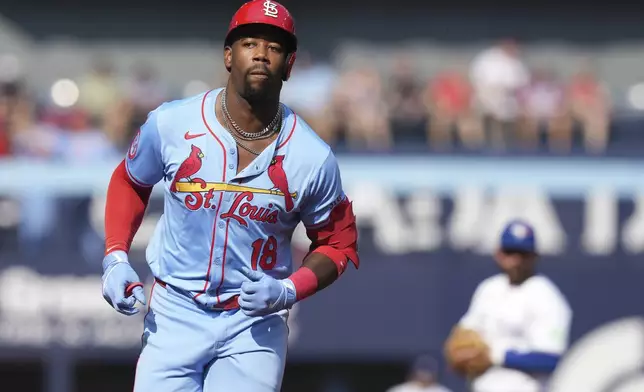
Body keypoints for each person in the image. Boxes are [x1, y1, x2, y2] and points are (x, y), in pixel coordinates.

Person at [99, 1, 359, 391]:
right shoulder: (171, 123)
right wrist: (116, 255)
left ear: (289, 65)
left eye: (274, 47)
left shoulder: (312, 156)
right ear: (228, 55)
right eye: (249, 42)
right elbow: (130, 180)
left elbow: (339, 244)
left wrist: (289, 289)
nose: (260, 53)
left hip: (254, 323)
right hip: (175, 310)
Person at [445, 220, 572, 392]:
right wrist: (461, 350)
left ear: (534, 256)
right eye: (510, 252)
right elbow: (466, 332)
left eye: (522, 254)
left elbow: (551, 359)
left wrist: (497, 356)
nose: (516, 260)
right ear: (498, 253)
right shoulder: (489, 289)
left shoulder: (547, 297)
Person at [386, 355, 453, 392]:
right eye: (422, 372)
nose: (425, 376)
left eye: (428, 373)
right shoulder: (400, 390)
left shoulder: (442, 390)